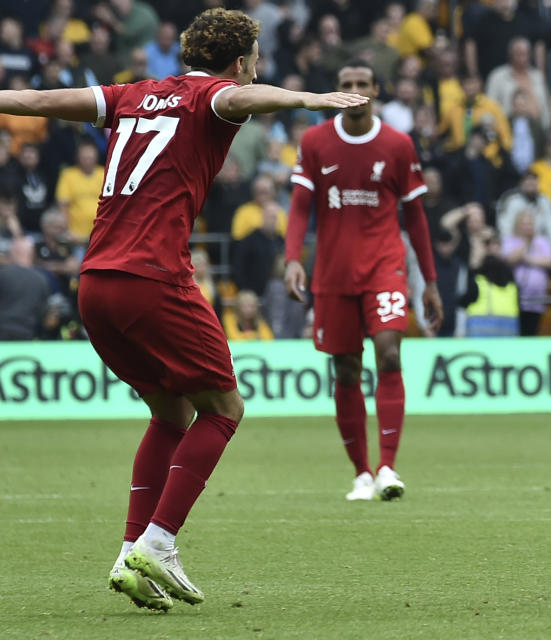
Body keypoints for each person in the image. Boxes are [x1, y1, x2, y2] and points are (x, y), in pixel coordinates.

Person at [0, 7, 368, 612]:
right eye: (252, 57)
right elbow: (247, 100)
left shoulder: (133, 93)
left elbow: (38, 101)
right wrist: (313, 97)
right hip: (153, 279)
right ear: (240, 61)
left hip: (95, 284)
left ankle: (129, 555)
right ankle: (161, 543)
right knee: (224, 408)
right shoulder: (214, 98)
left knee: (170, 413)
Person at [284, 60, 443, 503]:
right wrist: (293, 259)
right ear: (336, 90)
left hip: (384, 266)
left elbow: (416, 217)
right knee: (346, 367)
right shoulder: (315, 141)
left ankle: (388, 466)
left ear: (376, 90)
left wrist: (428, 281)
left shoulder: (397, 144)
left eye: (362, 84)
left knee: (390, 352)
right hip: (333, 272)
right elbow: (300, 207)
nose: (354, 90)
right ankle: (362, 473)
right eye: (345, 83)